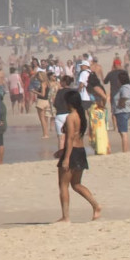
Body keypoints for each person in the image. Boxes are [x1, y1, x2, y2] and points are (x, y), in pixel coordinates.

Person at [55, 86, 101, 223]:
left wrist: (66, 158)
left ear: (69, 103)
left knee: (63, 185)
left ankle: (65, 217)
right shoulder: (81, 116)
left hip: (73, 151)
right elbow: (76, 135)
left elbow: (69, 139)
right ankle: (96, 205)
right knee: (76, 184)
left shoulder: (71, 117)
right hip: (81, 151)